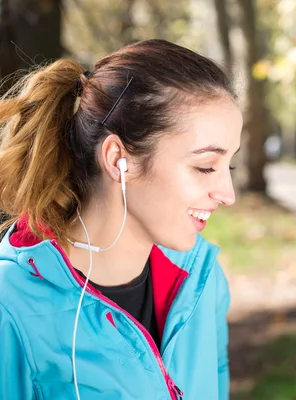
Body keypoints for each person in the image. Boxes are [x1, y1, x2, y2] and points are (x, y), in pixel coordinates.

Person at [0, 39, 241, 399]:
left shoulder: (204, 282)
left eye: (229, 165)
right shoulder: (11, 310)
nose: (228, 193)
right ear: (118, 160)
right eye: (205, 167)